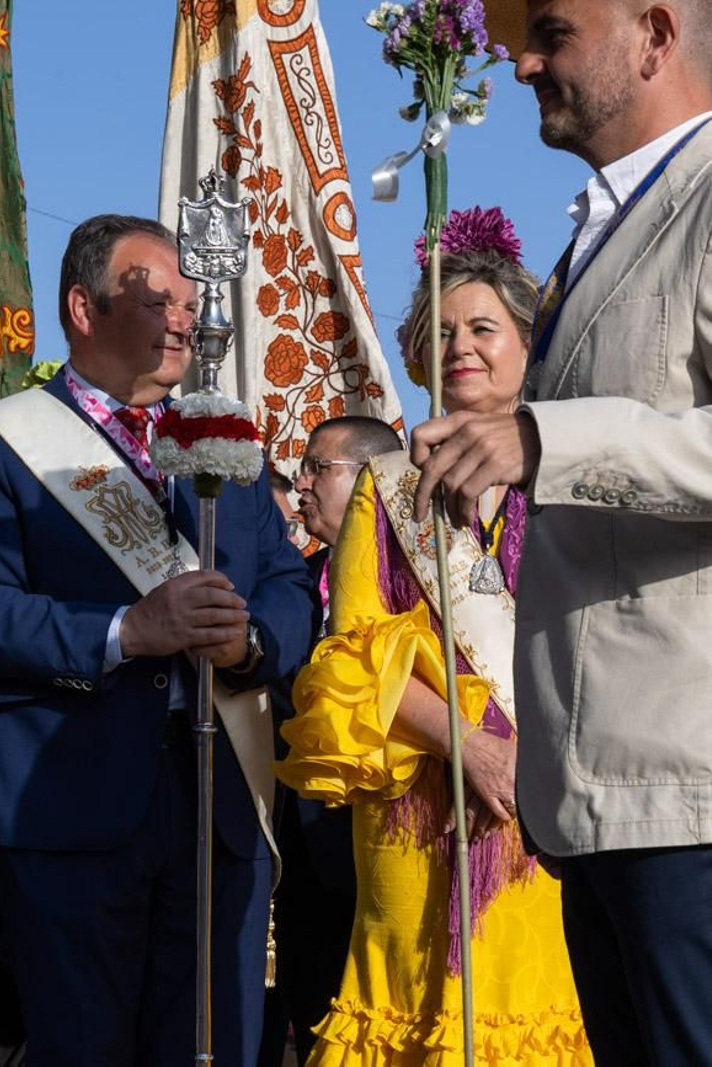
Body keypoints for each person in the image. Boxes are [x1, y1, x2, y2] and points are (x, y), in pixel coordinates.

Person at [0, 214, 315, 1065]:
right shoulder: (3, 443)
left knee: (215, 1044)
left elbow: (288, 582)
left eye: (191, 304)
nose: (185, 322)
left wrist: (249, 645)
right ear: (84, 308)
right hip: (71, 801)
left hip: (219, 798)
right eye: (160, 301)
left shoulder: (225, 439)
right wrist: (125, 630)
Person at [411, 4, 712, 1062]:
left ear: (654, 34)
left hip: (688, 796)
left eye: (552, 31)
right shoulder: (597, 228)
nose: (524, 61)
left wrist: (545, 438)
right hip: (596, 800)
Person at [279, 214, 591, 1064]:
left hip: (550, 803)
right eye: (442, 331)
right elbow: (350, 655)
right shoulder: (388, 487)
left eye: (483, 328)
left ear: (528, 341)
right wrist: (469, 744)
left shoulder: (571, 472)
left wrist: (521, 759)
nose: (462, 347)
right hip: (417, 803)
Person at [260, 415, 400, 1067]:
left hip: (390, 841)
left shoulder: (417, 578)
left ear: (372, 476)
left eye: (319, 467)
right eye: (301, 469)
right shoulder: (294, 583)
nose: (303, 483)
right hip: (303, 851)